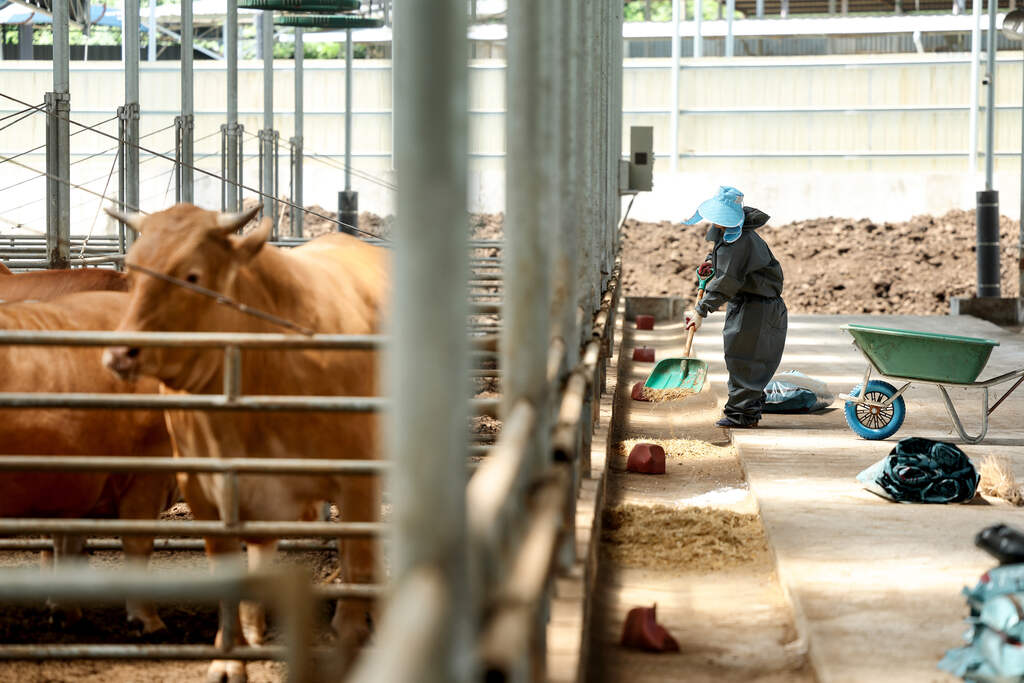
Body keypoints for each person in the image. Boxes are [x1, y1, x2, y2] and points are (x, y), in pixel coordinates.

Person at [682, 186, 787, 428]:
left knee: (746, 359)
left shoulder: (740, 241)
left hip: (757, 308)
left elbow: (727, 280)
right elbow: (724, 261)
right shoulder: (731, 233)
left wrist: (701, 310)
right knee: (742, 356)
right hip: (749, 303)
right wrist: (711, 262)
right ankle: (746, 409)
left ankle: (742, 415)